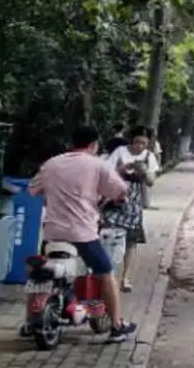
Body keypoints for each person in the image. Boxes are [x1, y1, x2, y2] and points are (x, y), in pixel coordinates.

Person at [28, 127, 137, 343]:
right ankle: (116, 326)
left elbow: (32, 189)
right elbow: (120, 191)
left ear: (72, 143)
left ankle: (28, 322)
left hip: (52, 233)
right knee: (105, 272)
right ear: (94, 145)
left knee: (40, 272)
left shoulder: (52, 164)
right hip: (83, 233)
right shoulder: (97, 165)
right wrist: (117, 198)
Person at [103, 126, 156, 292]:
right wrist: (122, 169)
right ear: (131, 141)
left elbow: (151, 181)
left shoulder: (149, 156)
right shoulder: (120, 152)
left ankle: (126, 278)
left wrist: (144, 171)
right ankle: (108, 274)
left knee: (132, 240)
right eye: (137, 142)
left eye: (144, 143)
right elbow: (105, 172)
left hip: (134, 202)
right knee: (110, 234)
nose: (140, 146)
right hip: (116, 198)